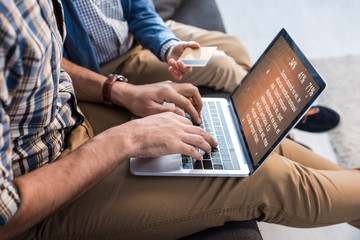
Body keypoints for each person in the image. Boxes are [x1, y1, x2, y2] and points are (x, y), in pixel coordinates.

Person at [1, 1, 359, 240]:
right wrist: (123, 140)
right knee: (261, 177)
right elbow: (6, 214)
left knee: (239, 133)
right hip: (39, 199)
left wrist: (118, 92)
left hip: (70, 121)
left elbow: (50, 63)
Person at [61, 0, 340, 133]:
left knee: (232, 46)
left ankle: (259, 115)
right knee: (221, 65)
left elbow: (140, 11)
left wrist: (168, 46)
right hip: (108, 65)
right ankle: (280, 119)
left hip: (139, 37)